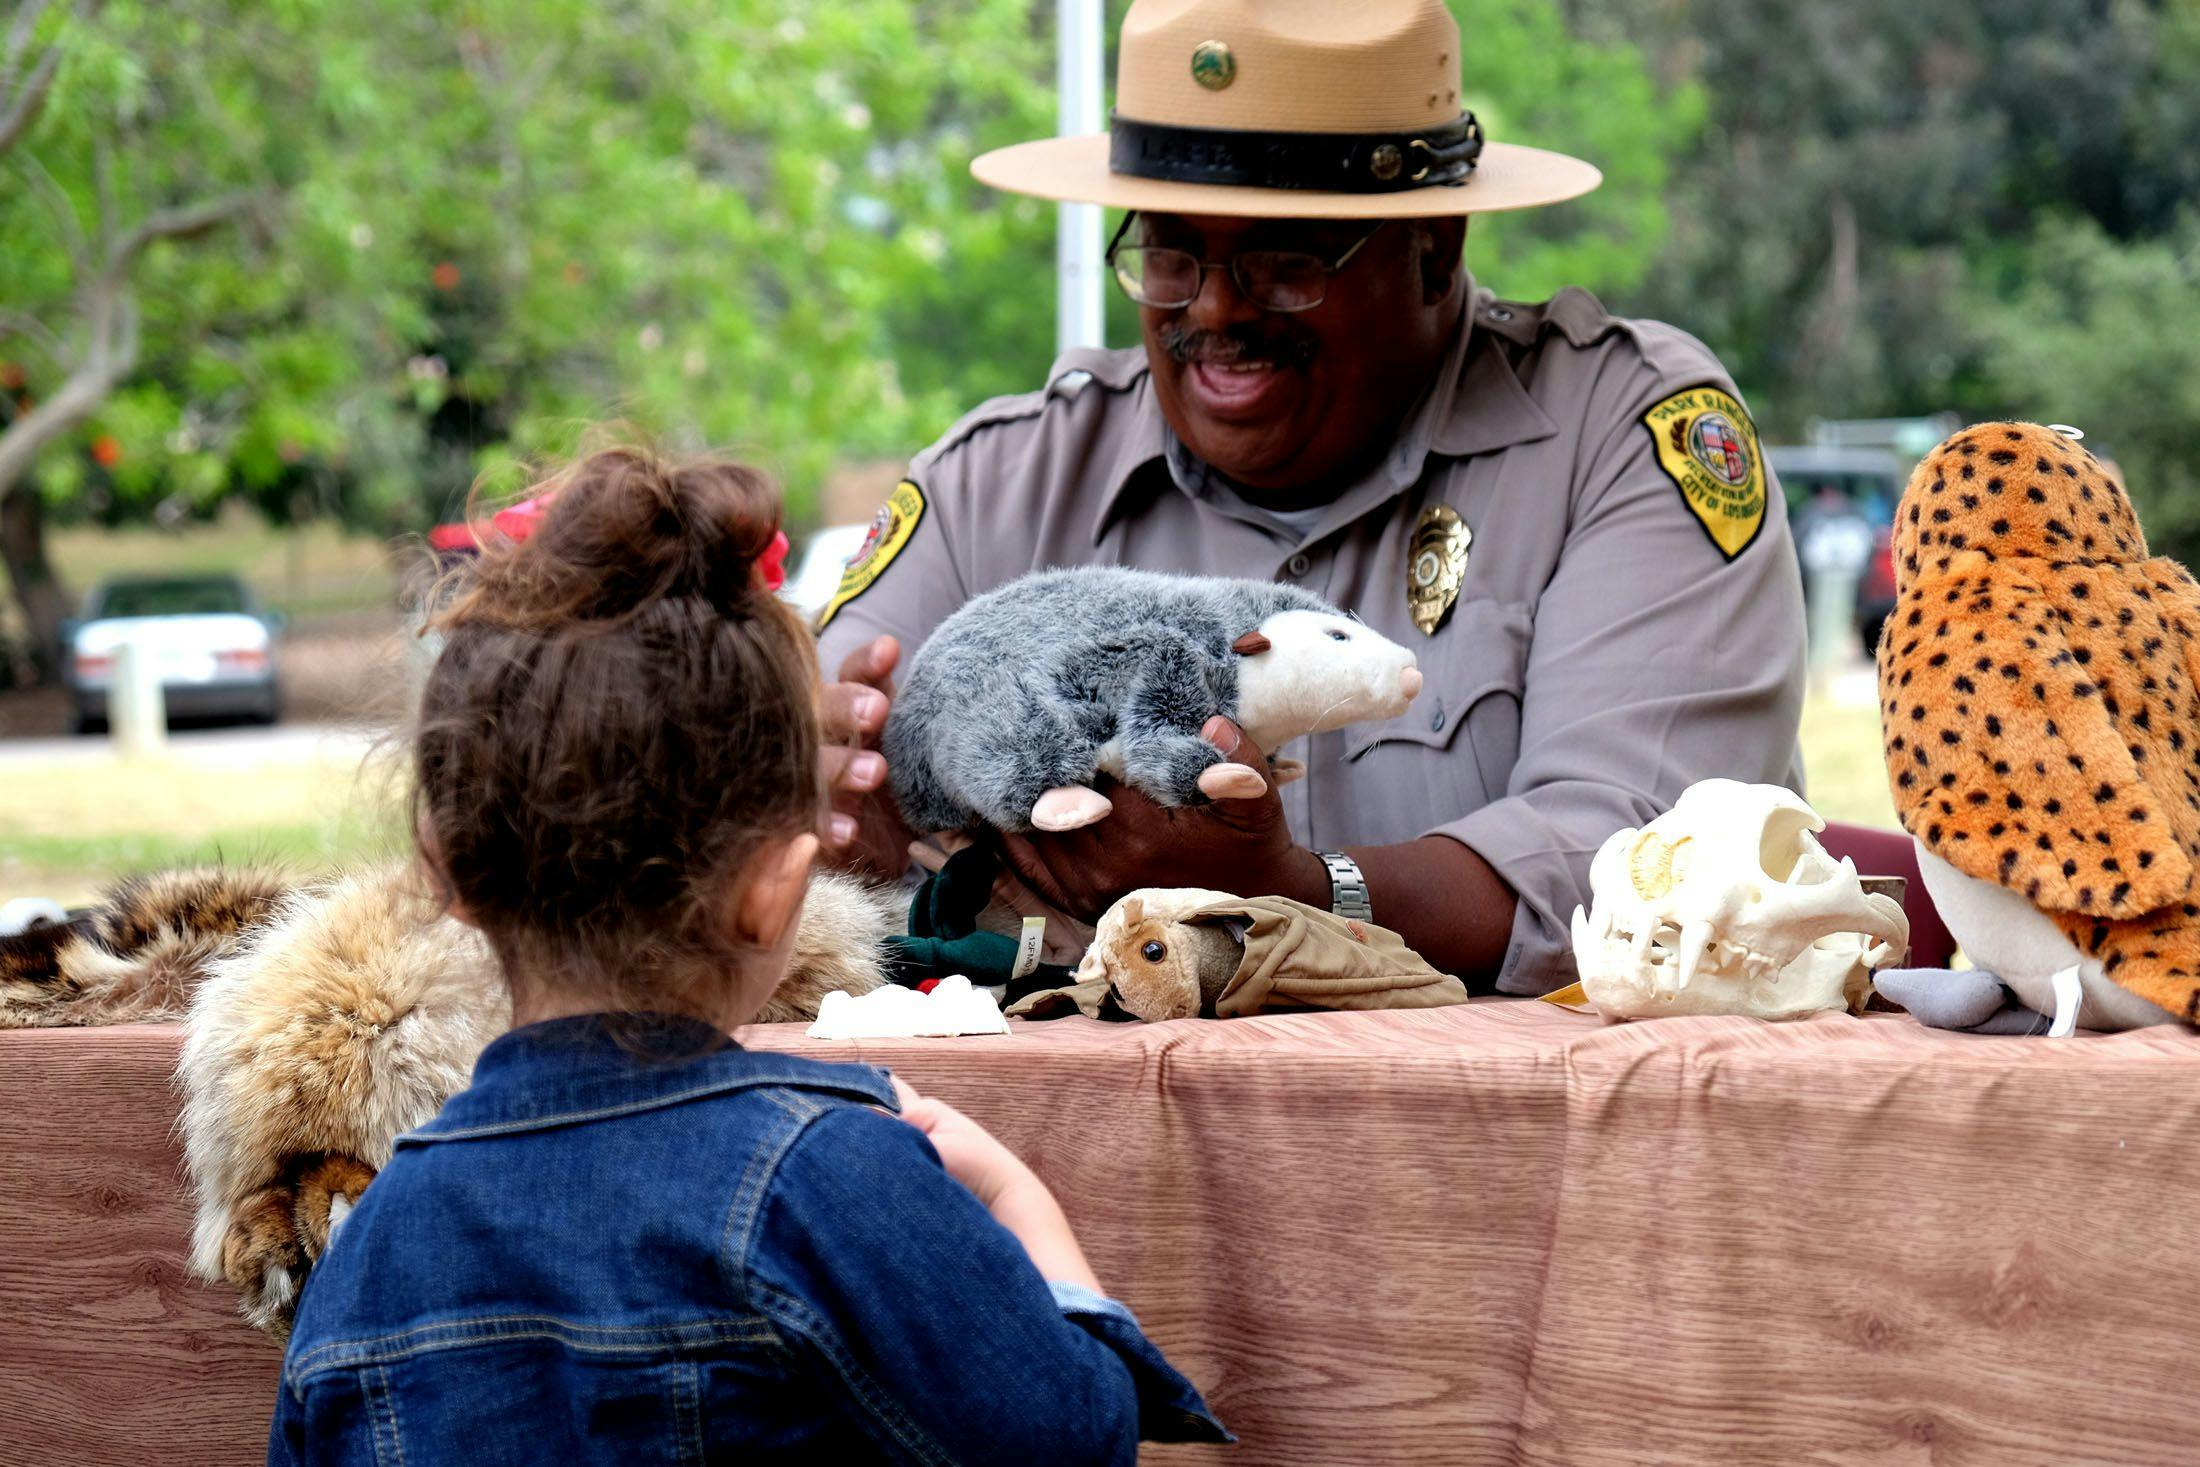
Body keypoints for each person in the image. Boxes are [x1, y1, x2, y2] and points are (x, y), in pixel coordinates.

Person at [815, 0, 1807, 994]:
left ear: (1434, 250)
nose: (1210, 308)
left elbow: (1655, 869)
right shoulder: (1004, 477)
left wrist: (1299, 897)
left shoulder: (1618, 438)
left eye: (1283, 262)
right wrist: (846, 803)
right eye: (1169, 253)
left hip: (1523, 1136)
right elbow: (796, 771)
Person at [269, 447, 1227, 1464]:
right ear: (777, 889)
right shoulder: (832, 1180)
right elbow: (1071, 1441)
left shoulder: (370, 1244)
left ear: (444, 869)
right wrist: (1010, 1196)